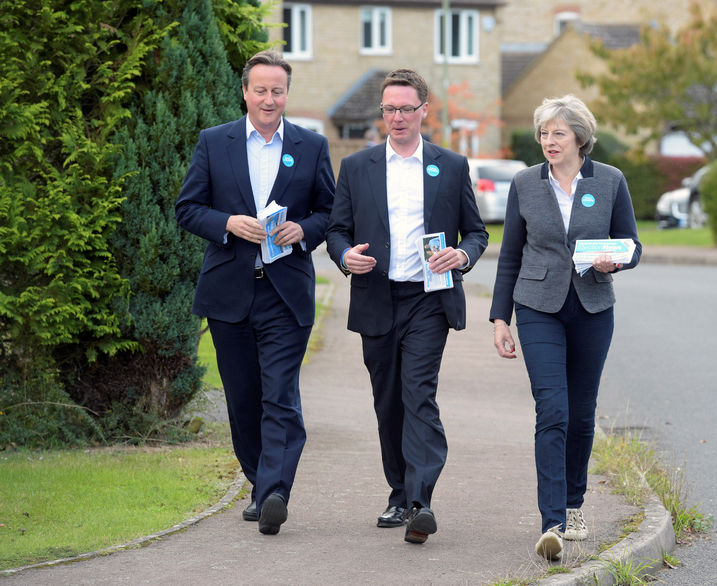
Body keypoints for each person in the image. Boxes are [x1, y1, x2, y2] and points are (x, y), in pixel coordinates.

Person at [175, 50, 335, 536]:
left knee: (281, 396)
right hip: (229, 294)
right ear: (245, 91)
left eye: (278, 90)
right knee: (243, 398)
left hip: (285, 294)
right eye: (261, 90)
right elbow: (187, 208)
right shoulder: (214, 142)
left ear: (287, 94)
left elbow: (330, 212)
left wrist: (302, 231)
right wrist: (227, 222)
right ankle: (257, 480)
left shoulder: (310, 145)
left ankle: (274, 493)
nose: (269, 99)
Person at [326, 68, 488, 545]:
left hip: (428, 299)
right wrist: (343, 255)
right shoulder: (357, 167)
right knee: (388, 401)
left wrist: (463, 255)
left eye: (406, 108)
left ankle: (421, 501)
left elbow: (476, 232)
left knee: (419, 393)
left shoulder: (450, 165)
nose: (397, 117)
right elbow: (337, 230)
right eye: (389, 109)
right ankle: (398, 492)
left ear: (424, 112)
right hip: (377, 296)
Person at [489, 95, 641, 561]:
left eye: (558, 133)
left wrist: (612, 261)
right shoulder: (525, 183)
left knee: (580, 414)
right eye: (543, 133)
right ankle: (551, 522)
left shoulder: (610, 181)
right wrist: (500, 318)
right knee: (551, 410)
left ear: (580, 136)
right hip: (537, 306)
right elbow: (510, 254)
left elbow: (633, 244)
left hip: (593, 306)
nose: (549, 141)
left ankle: (575, 504)